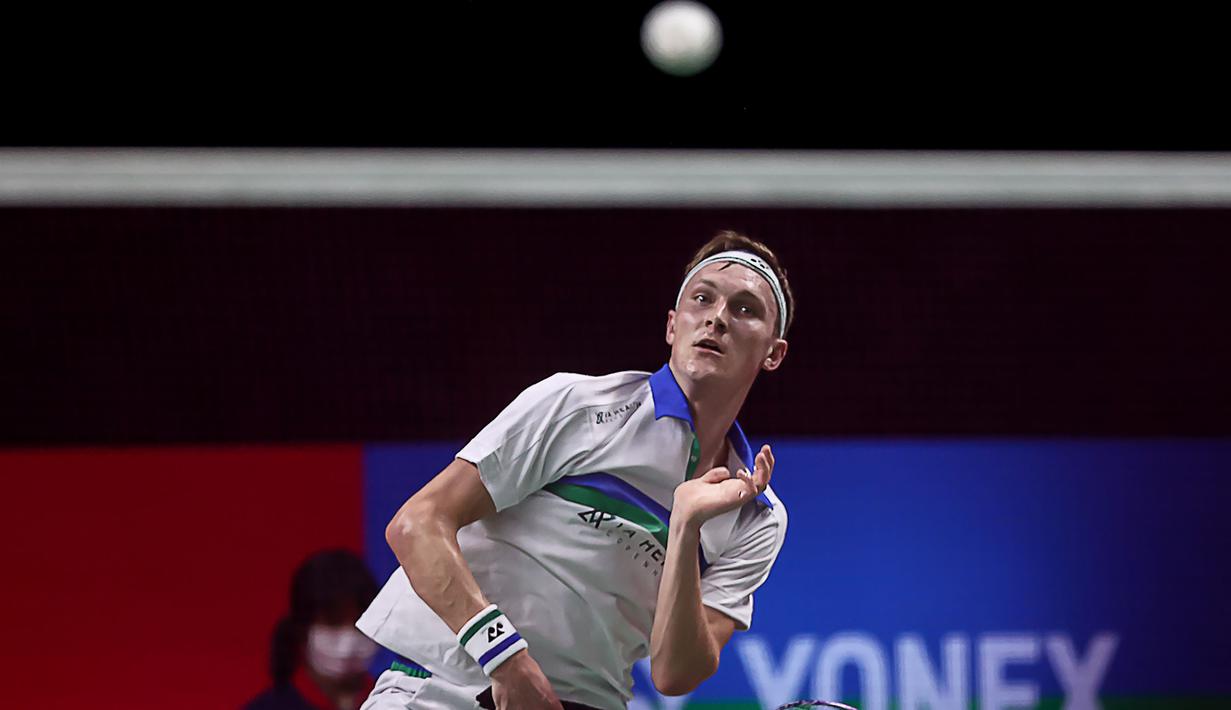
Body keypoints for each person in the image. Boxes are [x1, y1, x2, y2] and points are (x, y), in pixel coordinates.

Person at [357, 231, 794, 710]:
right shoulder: (578, 405)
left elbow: (674, 673)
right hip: (446, 690)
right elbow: (417, 524)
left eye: (745, 309)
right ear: (673, 325)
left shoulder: (758, 516)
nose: (717, 317)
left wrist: (685, 526)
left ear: (773, 353)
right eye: (702, 298)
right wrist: (504, 657)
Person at [246, 550, 381, 710]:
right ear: (302, 630)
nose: (349, 640)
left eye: (361, 622)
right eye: (333, 622)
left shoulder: (402, 702)